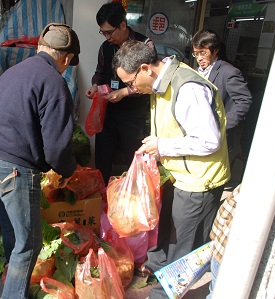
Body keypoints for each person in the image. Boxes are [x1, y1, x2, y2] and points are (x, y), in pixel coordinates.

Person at [112, 40, 231, 299]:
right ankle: (155, 267)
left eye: (130, 82)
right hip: (178, 174)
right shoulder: (160, 82)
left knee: (183, 249)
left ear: (145, 68)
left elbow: (209, 141)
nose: (130, 88)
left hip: (199, 181)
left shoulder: (187, 88)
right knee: (167, 232)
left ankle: (163, 295)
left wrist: (161, 145)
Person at [0, 23, 80, 298]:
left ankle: (12, 279)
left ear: (40, 48)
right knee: (29, 244)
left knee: (13, 232)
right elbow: (57, 146)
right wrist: (68, 171)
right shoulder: (54, 82)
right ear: (67, 58)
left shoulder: (13, 73)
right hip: (14, 169)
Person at [85, 2, 156, 185]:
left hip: (133, 114)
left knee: (134, 157)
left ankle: (133, 196)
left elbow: (151, 80)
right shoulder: (106, 47)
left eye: (110, 32)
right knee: (103, 155)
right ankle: (101, 196)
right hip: (108, 111)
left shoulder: (144, 45)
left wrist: (124, 92)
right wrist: (94, 86)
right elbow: (100, 73)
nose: (107, 37)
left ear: (123, 25)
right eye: (103, 32)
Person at [192, 29, 252, 151]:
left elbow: (244, 100)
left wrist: (224, 124)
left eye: (203, 53)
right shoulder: (195, 71)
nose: (199, 58)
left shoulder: (229, 72)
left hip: (219, 135)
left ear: (215, 50)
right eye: (196, 54)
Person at [206, 184, 240, 299]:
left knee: (215, 289)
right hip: (238, 261)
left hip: (221, 251)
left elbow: (224, 211)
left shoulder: (250, 184)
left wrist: (214, 235)